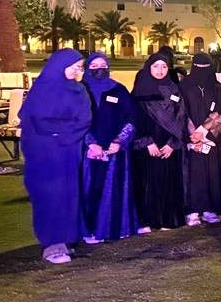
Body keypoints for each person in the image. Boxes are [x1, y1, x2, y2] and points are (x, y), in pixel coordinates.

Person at [22, 50, 91, 263]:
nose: (78, 72)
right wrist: (56, 132)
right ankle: (52, 244)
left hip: (69, 152)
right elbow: (33, 120)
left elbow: (84, 119)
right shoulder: (42, 89)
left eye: (80, 68)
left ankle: (67, 238)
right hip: (44, 154)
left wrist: (61, 133)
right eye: (75, 67)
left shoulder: (79, 90)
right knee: (49, 195)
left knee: (68, 195)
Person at [81, 52, 137, 243]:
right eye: (94, 66)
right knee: (90, 188)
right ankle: (89, 230)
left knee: (113, 189)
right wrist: (90, 143)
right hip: (88, 151)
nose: (99, 69)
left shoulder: (118, 90)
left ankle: (115, 228)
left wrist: (119, 141)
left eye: (103, 65)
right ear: (87, 68)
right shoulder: (79, 90)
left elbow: (131, 118)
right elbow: (74, 121)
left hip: (115, 149)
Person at [131, 50, 186, 231]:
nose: (160, 70)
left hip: (168, 144)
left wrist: (173, 143)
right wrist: (146, 141)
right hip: (147, 145)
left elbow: (181, 116)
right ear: (149, 67)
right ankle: (147, 220)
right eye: (156, 66)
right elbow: (134, 119)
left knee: (168, 181)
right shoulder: (140, 89)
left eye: (164, 67)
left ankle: (167, 219)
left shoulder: (174, 88)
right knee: (148, 183)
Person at [180, 52, 221, 225]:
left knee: (212, 173)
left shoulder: (217, 87)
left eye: (206, 67)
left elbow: (219, 112)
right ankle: (193, 210)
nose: (202, 70)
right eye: (198, 67)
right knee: (194, 174)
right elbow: (181, 112)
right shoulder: (184, 86)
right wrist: (193, 135)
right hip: (191, 138)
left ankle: (211, 209)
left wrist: (205, 132)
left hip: (212, 137)